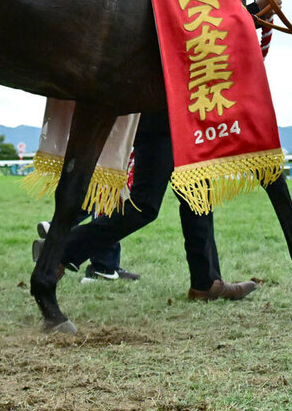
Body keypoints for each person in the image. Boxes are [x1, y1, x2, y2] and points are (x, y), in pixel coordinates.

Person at [35, 111, 256, 300]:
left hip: (170, 117)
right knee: (145, 205)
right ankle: (60, 249)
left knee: (195, 198)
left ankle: (206, 282)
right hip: (164, 115)